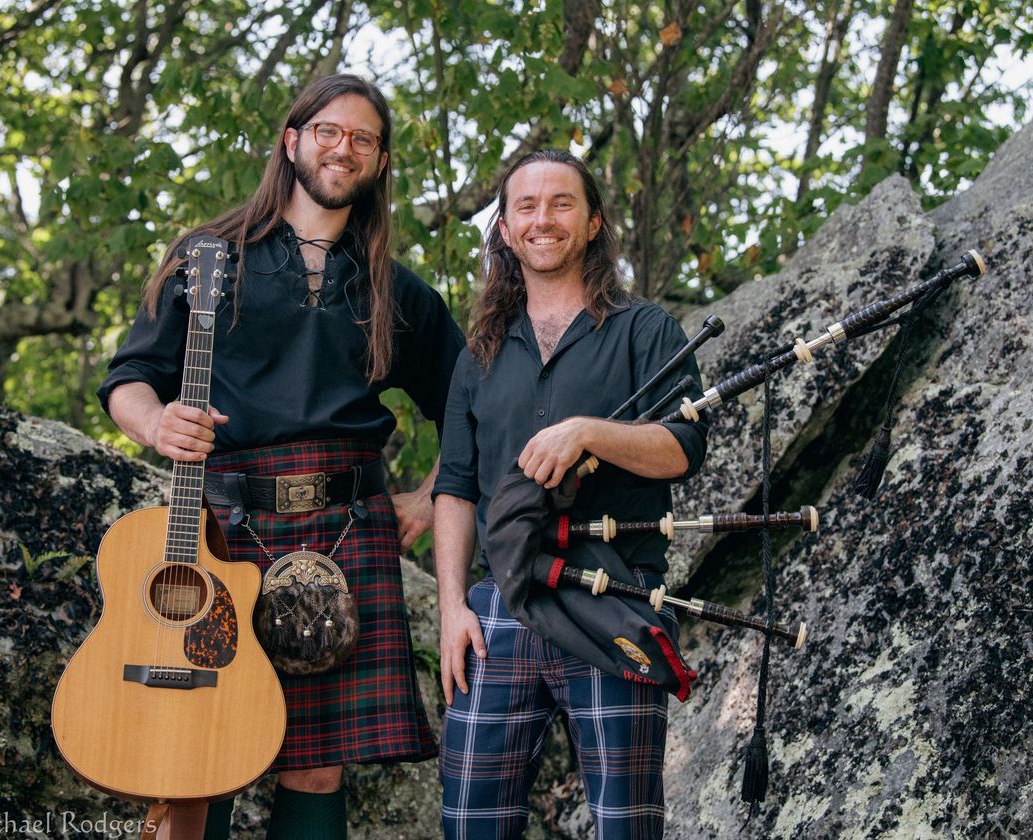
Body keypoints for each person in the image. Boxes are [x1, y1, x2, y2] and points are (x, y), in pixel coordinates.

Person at [98, 74, 463, 840]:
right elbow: (129, 378)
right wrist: (157, 422)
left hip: (348, 529)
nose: (345, 148)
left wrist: (431, 496)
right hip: (225, 529)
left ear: (381, 162)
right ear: (292, 141)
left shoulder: (398, 291)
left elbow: (473, 405)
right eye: (329, 130)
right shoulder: (210, 258)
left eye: (364, 138)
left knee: (318, 762)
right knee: (205, 749)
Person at [432, 149, 708, 839]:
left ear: (593, 224)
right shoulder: (481, 354)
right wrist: (450, 610)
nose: (542, 219)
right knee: (471, 823)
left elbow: (683, 448)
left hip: (616, 598)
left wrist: (590, 432)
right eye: (525, 206)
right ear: (503, 229)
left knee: (626, 827)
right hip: (498, 612)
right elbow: (455, 489)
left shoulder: (648, 331)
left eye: (561, 204)